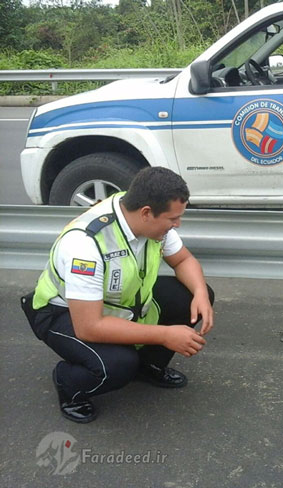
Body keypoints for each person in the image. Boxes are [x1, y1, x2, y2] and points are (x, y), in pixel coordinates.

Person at [20, 167, 214, 423]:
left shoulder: (143, 213)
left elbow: (183, 260)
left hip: (117, 302)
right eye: (173, 219)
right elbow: (89, 327)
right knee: (119, 364)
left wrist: (200, 292)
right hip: (62, 313)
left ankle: (148, 366)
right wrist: (166, 335)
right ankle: (69, 384)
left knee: (192, 297)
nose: (177, 224)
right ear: (146, 213)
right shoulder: (85, 245)